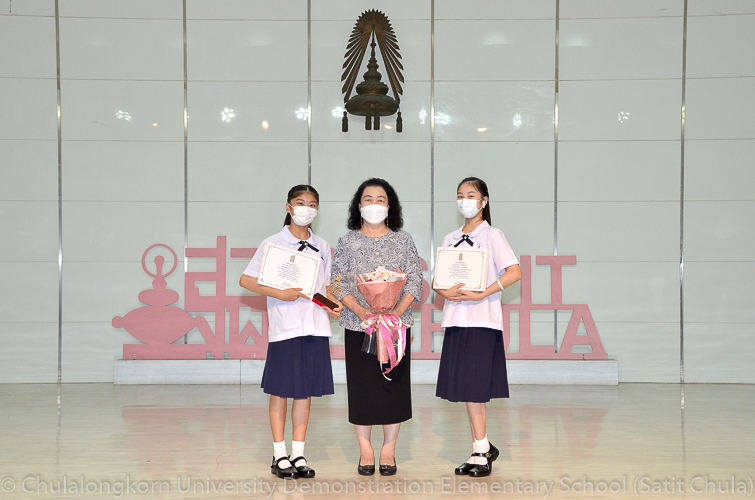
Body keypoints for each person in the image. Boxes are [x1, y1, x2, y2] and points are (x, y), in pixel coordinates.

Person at [239, 184, 342, 480]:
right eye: (300, 202)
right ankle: (279, 453)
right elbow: (246, 280)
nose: (306, 209)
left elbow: (324, 287)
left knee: (305, 393)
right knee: (281, 391)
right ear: (288, 207)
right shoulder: (272, 243)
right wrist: (280, 293)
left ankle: (298, 452)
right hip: (285, 327)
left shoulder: (322, 247)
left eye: (312, 204)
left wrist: (333, 304)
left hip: (315, 327)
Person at [330, 178, 423, 477]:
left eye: (380, 199)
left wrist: (395, 313)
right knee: (362, 387)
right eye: (367, 199)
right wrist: (361, 311)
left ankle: (389, 448)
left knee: (392, 386)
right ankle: (365, 448)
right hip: (359, 326)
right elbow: (337, 282)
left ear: (389, 205)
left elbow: (415, 279)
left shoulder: (403, 240)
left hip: (395, 327)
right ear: (358, 205)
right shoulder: (347, 242)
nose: (374, 205)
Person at [433, 176, 522, 478]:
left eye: (471, 195)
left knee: (477, 389)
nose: (464, 200)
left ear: (484, 201)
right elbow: (438, 281)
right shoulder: (450, 238)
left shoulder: (493, 235)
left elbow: (514, 272)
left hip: (482, 321)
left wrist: (484, 292)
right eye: (460, 195)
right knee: (467, 389)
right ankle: (480, 447)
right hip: (456, 321)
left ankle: (482, 452)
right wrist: (443, 290)